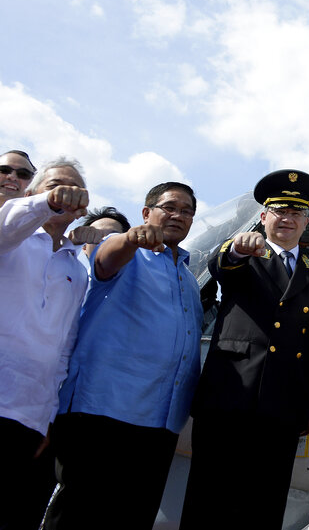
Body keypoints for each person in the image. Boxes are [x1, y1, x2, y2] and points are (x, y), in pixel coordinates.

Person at [181, 169, 309, 530]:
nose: (287, 219)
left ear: (306, 221)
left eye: (296, 213)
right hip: (227, 399)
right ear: (264, 216)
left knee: (264, 506)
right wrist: (235, 247)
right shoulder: (243, 255)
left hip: (282, 409)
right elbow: (221, 266)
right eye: (280, 210)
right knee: (207, 502)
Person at [46, 181, 202, 530]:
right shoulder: (126, 252)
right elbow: (105, 257)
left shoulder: (189, 279)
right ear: (146, 213)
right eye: (169, 207)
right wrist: (131, 238)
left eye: (187, 210)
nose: (178, 215)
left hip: (160, 422)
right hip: (102, 415)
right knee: (80, 516)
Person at [0, 158, 98, 530]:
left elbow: (64, 348)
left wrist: (48, 418)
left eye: (72, 189)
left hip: (29, 418)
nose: (64, 192)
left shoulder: (77, 268)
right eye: (54, 184)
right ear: (29, 194)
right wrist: (49, 202)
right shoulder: (11, 238)